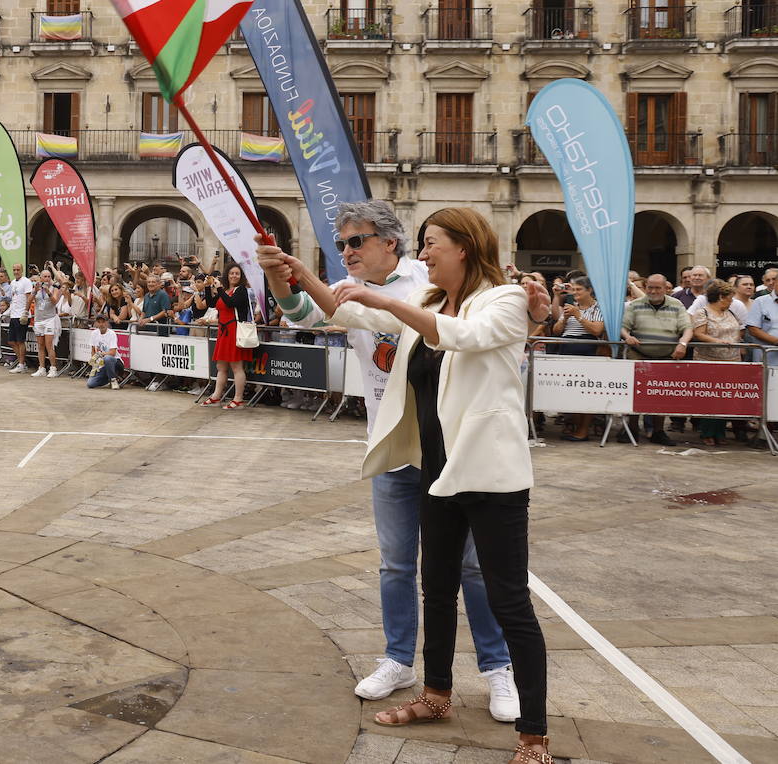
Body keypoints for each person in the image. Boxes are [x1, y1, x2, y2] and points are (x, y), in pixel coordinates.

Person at [258, 206, 549, 764]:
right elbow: (350, 317)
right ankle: (436, 693)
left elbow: (464, 337)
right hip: (435, 469)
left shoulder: (505, 300)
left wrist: (384, 300)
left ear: (464, 246)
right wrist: (298, 270)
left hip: (490, 475)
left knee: (509, 600)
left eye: (432, 242)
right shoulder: (429, 301)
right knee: (434, 586)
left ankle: (533, 735)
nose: (424, 252)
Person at [619, 274, 693, 445]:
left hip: (667, 356)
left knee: (661, 395)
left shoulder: (676, 305)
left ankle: (658, 432)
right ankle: (631, 429)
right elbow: (623, 327)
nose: (653, 291)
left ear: (666, 288)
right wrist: (627, 336)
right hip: (637, 353)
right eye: (650, 287)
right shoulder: (635, 305)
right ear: (645, 288)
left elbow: (687, 328)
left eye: (657, 287)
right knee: (634, 393)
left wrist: (682, 344)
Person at [550, 277, 605, 441]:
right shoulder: (570, 307)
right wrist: (566, 318)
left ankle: (583, 429)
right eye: (573, 289)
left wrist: (578, 316)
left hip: (588, 351)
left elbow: (597, 330)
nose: (575, 293)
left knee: (586, 392)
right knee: (571, 391)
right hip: (567, 350)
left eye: (579, 289)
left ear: (589, 290)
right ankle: (576, 427)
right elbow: (556, 330)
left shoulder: (598, 307)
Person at [691, 281, 745, 446]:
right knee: (710, 396)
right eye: (729, 298)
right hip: (709, 360)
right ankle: (707, 432)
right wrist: (717, 341)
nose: (732, 301)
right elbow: (698, 334)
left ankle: (720, 432)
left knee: (725, 396)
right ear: (721, 297)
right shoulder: (703, 313)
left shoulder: (731, 313)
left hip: (732, 361)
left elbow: (739, 331)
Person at [201, 266, 254, 409]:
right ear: (227, 275)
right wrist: (207, 287)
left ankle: (238, 399)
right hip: (223, 331)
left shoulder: (241, 290)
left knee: (236, 366)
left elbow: (231, 303)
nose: (234, 276)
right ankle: (216, 397)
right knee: (221, 366)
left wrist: (219, 289)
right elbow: (212, 304)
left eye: (237, 273)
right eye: (231, 273)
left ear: (241, 276)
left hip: (234, 330)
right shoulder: (225, 290)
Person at [31, 269, 62, 377]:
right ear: (41, 278)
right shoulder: (37, 288)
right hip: (38, 320)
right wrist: (35, 290)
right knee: (40, 345)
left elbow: (55, 302)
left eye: (49, 276)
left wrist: (48, 291)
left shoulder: (55, 288)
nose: (47, 279)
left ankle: (53, 368)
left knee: (49, 345)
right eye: (45, 276)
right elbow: (29, 300)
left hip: (50, 319)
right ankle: (42, 368)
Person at [6, 263, 34, 374]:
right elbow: (13, 299)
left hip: (22, 315)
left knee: (20, 340)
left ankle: (21, 364)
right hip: (14, 315)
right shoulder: (13, 282)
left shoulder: (26, 281)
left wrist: (26, 313)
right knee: (11, 341)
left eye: (18, 269)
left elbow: (29, 298)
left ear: (22, 270)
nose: (16, 271)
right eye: (14, 269)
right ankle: (22, 363)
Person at [85, 313, 122, 389]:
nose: (101, 324)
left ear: (107, 323)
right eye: (99, 322)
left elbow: (113, 353)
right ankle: (110, 378)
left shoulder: (112, 334)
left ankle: (113, 380)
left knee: (107, 358)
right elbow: (93, 351)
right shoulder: (94, 334)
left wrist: (101, 354)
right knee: (90, 384)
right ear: (96, 323)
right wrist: (94, 365)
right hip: (101, 365)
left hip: (115, 362)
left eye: (103, 322)